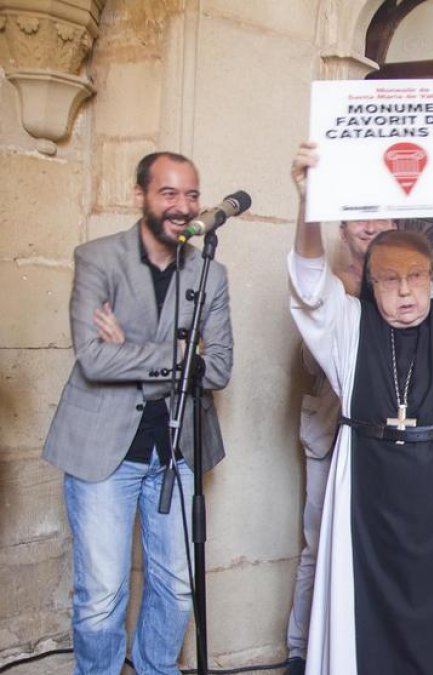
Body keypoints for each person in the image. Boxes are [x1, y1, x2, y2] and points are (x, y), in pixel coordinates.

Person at [288, 140, 433, 674]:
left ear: (432, 277)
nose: (404, 293)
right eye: (389, 280)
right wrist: (308, 207)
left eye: (415, 277)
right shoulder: (349, 328)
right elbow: (308, 288)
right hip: (369, 504)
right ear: (370, 284)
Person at [42, 151, 234, 675]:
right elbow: (95, 358)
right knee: (102, 597)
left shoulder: (210, 276)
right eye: (168, 193)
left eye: (191, 194)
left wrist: (135, 348)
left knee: (175, 589)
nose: (183, 206)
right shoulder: (98, 258)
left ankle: (155, 668)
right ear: (140, 196)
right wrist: (178, 354)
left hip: (178, 451)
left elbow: (216, 370)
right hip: (104, 450)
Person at [283, 218, 394, 675]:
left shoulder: (408, 281)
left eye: (381, 215)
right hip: (332, 432)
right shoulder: (327, 286)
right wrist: (346, 299)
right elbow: (312, 360)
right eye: (359, 217)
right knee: (317, 544)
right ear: (343, 230)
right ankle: (300, 650)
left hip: (387, 444)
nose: (371, 225)